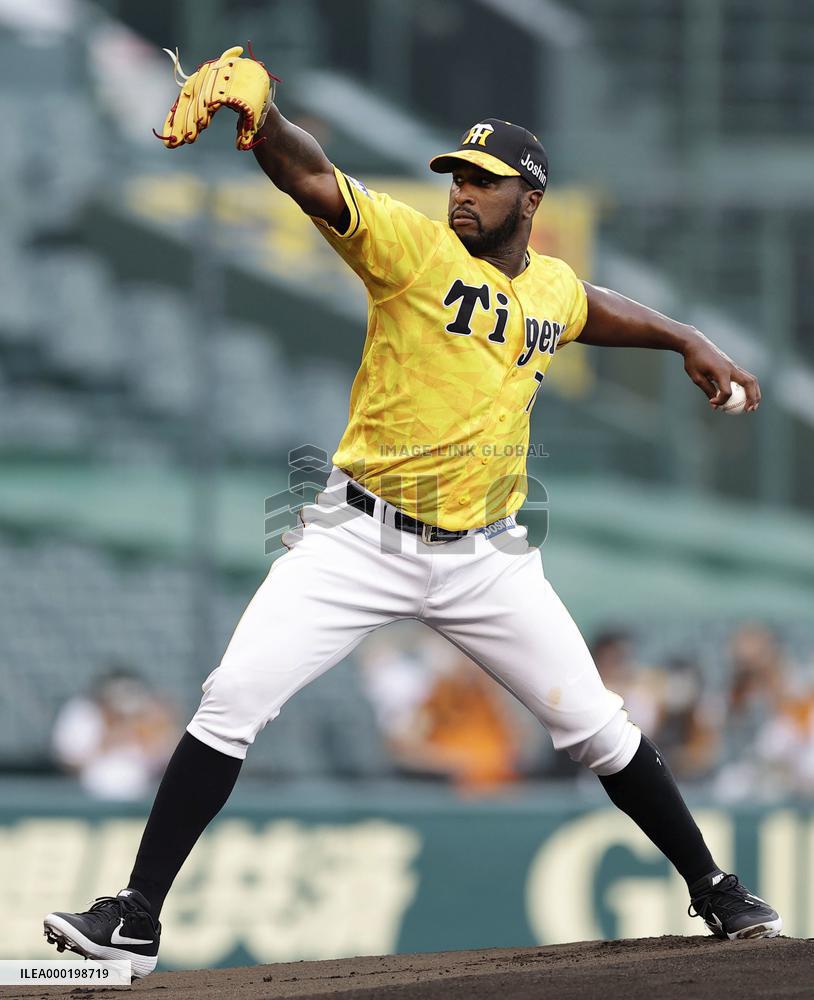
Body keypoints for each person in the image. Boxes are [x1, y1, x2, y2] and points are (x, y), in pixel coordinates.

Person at [43, 49, 780, 978]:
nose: (462, 192)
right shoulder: (411, 249)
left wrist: (687, 337)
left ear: (530, 202)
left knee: (598, 724)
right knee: (232, 700)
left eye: (484, 181)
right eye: (456, 177)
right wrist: (265, 122)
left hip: (488, 558)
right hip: (358, 536)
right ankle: (138, 915)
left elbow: (589, 307)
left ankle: (714, 887)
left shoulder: (546, 284)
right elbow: (314, 178)